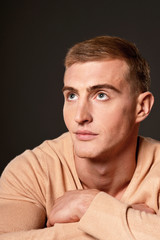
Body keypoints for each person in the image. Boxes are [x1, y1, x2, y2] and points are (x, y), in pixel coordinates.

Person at [0, 35, 159, 240]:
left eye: (101, 95)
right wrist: (127, 222)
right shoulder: (33, 170)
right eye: (72, 96)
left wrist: (89, 206)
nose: (80, 116)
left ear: (142, 107)